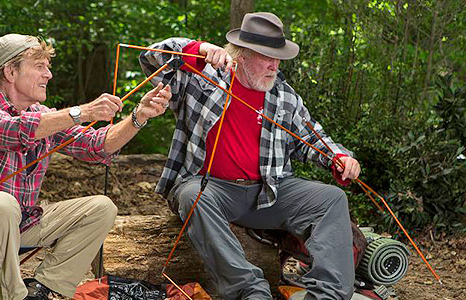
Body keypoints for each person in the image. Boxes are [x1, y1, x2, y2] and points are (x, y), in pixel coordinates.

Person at [139, 12, 361, 300]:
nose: (275, 65)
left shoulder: (284, 95)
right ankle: (250, 291)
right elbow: (150, 57)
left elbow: (312, 138)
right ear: (242, 55)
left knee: (332, 199)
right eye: (267, 56)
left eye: (278, 57)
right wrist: (200, 49)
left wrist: (339, 158)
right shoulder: (202, 79)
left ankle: (327, 294)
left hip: (268, 192)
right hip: (211, 188)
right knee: (193, 195)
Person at [0, 33, 172, 300]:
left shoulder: (44, 114)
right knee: (3, 204)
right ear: (10, 71)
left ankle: (42, 289)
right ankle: (13, 297)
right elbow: (7, 131)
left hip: (24, 221)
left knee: (101, 208)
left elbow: (96, 146)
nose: (48, 74)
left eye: (47, 67)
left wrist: (138, 117)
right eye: (39, 66)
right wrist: (81, 112)